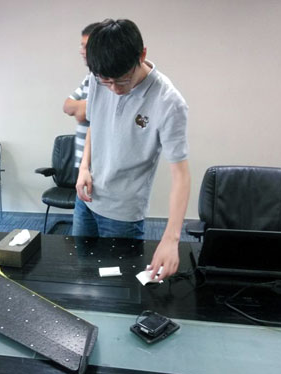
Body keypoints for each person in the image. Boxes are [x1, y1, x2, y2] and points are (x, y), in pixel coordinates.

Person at [74, 19, 191, 281]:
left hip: (123, 212)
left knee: (119, 286)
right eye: (107, 82)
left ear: (142, 55)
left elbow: (181, 175)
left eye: (122, 80)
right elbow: (94, 122)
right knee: (83, 275)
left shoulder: (168, 102)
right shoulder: (98, 78)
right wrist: (84, 167)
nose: (114, 89)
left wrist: (171, 238)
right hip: (86, 199)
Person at [63, 23, 99, 169]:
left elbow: (82, 113)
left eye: (86, 46)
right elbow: (67, 106)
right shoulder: (90, 77)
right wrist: (85, 106)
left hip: (97, 166)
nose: (82, 51)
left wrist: (83, 108)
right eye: (82, 46)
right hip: (82, 165)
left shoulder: (107, 81)